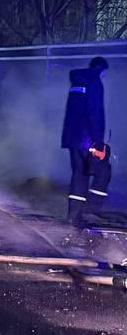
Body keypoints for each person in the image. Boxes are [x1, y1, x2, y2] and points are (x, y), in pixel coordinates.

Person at [61, 56, 111, 228]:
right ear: (101, 69)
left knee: (79, 175)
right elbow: (95, 113)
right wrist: (98, 141)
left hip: (72, 138)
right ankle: (91, 212)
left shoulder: (76, 82)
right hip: (88, 140)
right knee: (104, 172)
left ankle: (73, 217)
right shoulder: (95, 83)